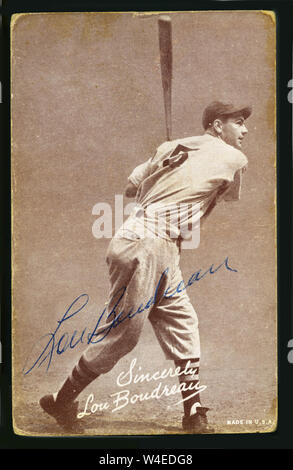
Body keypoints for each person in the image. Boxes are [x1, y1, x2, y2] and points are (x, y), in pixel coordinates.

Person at [39, 101, 251, 434]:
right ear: (215, 125)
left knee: (183, 321)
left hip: (158, 245)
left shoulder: (170, 147)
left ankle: (193, 413)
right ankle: (62, 401)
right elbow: (226, 195)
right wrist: (182, 169)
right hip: (146, 241)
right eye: (238, 122)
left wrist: (166, 163)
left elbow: (130, 189)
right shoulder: (234, 158)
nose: (245, 130)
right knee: (123, 336)